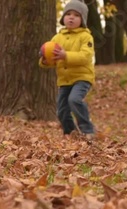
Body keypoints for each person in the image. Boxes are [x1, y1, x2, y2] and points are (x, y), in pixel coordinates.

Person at [39, 0, 95, 140]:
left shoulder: (86, 36)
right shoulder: (57, 38)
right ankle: (70, 133)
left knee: (74, 100)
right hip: (64, 80)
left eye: (76, 15)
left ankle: (88, 130)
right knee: (61, 110)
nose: (71, 17)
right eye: (68, 14)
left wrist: (66, 55)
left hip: (82, 77)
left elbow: (86, 57)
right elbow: (52, 58)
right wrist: (45, 61)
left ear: (82, 20)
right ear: (63, 18)